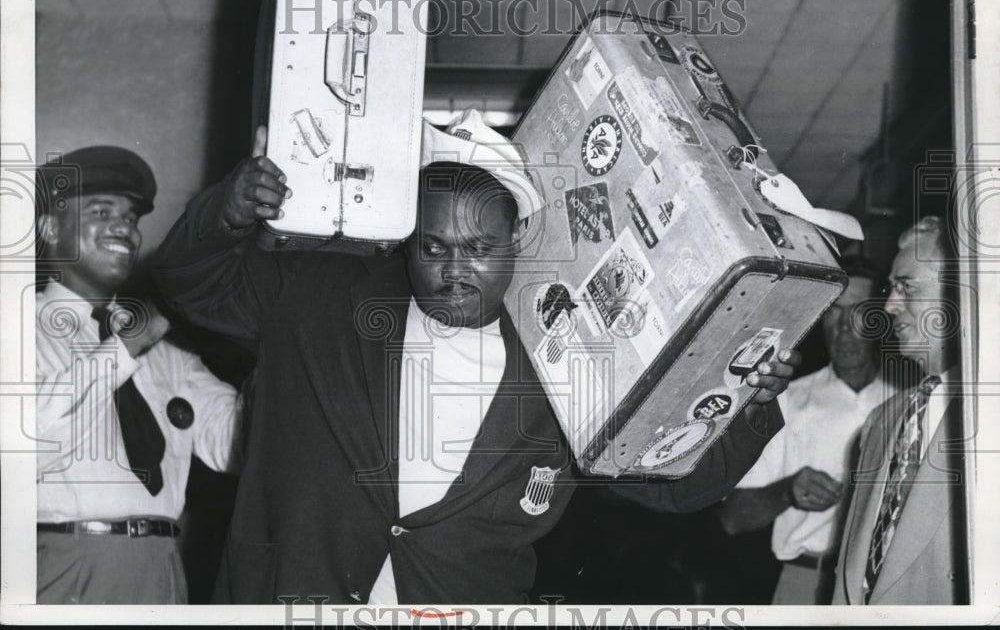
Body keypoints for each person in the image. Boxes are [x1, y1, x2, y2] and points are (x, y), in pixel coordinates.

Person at [150, 110, 801, 605]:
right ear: (407, 239)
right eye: (433, 248)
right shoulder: (315, 296)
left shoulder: (566, 360)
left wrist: (751, 401)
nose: (454, 272)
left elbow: (678, 485)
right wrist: (225, 213)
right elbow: (187, 282)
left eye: (479, 248)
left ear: (515, 239)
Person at [35, 146, 244, 604]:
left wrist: (278, 350)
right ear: (49, 228)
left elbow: (236, 446)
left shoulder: (169, 355)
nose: (123, 228)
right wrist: (125, 349)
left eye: (131, 218)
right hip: (66, 567)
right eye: (101, 210)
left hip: (163, 568)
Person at [718, 256, 895, 604]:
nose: (843, 327)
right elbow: (732, 519)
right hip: (806, 583)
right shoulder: (785, 400)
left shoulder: (907, 401)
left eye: (859, 312)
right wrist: (788, 492)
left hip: (886, 586)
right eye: (834, 311)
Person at [833, 216, 968, 604]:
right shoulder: (882, 421)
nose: (890, 305)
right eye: (892, 288)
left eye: (906, 287)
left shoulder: (987, 419)